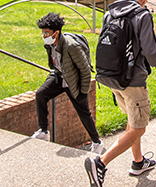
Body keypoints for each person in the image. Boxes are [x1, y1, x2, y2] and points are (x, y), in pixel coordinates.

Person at [85, 0, 156, 187]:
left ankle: (138, 162)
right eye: (146, 0)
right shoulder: (142, 15)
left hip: (113, 77)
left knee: (133, 120)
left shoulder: (110, 13)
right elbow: (150, 51)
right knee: (138, 128)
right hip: (133, 79)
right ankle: (100, 163)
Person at [32, 12, 104, 153]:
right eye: (43, 33)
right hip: (59, 76)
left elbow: (85, 70)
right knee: (41, 94)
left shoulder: (72, 46)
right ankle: (44, 131)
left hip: (74, 82)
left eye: (46, 33)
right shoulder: (51, 44)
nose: (44, 36)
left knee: (84, 113)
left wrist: (83, 91)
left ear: (56, 33)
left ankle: (97, 142)